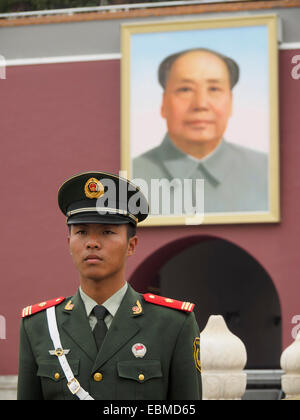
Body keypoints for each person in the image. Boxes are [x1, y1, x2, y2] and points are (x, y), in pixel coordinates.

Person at [17, 171, 202, 400]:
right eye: (82, 232)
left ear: (131, 245)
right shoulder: (39, 326)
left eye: (107, 232)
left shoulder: (173, 324)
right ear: (68, 243)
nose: (92, 243)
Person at [133, 48, 268, 214]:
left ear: (231, 102)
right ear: (163, 103)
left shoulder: (268, 172)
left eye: (214, 89)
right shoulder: (129, 178)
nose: (200, 104)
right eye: (185, 89)